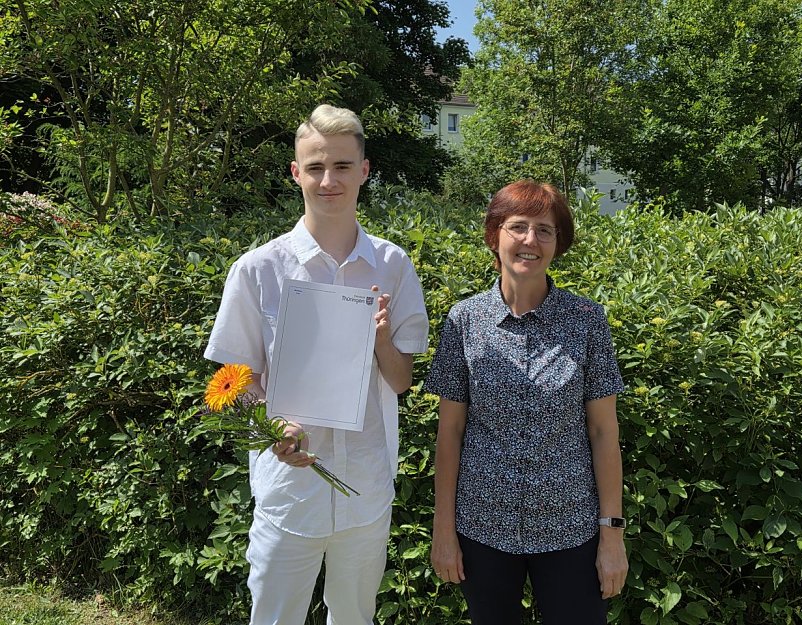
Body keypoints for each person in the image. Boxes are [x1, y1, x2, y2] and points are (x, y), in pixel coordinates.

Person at [204, 104, 429, 625]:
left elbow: (401, 381)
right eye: (316, 167)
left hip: (366, 486)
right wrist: (272, 425)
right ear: (295, 173)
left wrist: (378, 341)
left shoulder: (393, 266)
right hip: (288, 491)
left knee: (354, 619)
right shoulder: (258, 269)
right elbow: (235, 383)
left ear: (365, 171)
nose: (329, 180)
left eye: (343, 167)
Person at [424, 179, 628, 625]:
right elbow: (450, 433)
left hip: (570, 526)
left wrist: (612, 537)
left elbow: (603, 432)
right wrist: (444, 531)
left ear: (558, 243)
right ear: (495, 235)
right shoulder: (464, 320)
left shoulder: (588, 320)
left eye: (545, 230)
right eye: (518, 226)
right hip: (483, 528)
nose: (530, 241)